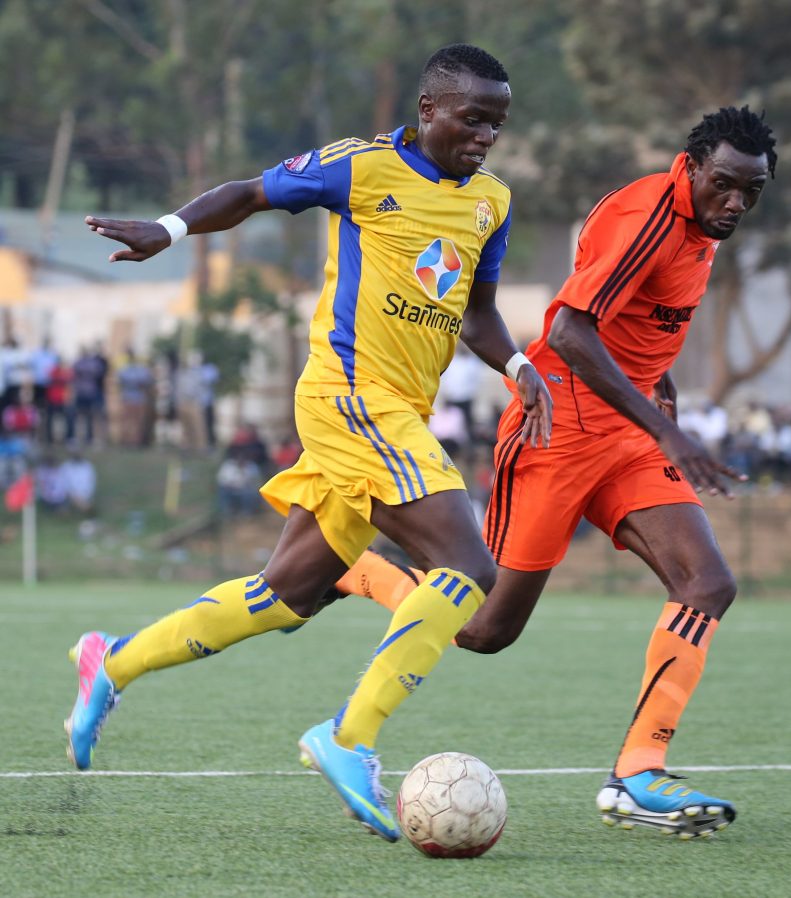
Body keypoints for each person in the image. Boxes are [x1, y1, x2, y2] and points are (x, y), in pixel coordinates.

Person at [67, 44, 553, 843]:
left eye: (497, 123)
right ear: (428, 109)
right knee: (468, 568)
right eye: (473, 119)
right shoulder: (359, 169)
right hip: (352, 398)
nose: (486, 137)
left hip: (396, 412)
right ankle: (351, 737)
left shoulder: (491, 202)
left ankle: (109, 664)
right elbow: (249, 192)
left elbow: (477, 313)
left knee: (283, 597)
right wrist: (168, 227)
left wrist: (521, 363)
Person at [337, 105, 777, 838]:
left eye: (753, 191)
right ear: (692, 166)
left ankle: (638, 774)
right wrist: (668, 429)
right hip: (559, 430)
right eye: (725, 184)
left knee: (708, 584)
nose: (736, 202)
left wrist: (655, 390)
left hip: (626, 434)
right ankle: (351, 567)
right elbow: (570, 331)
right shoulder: (649, 218)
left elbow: (636, 328)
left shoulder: (702, 224)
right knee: (483, 629)